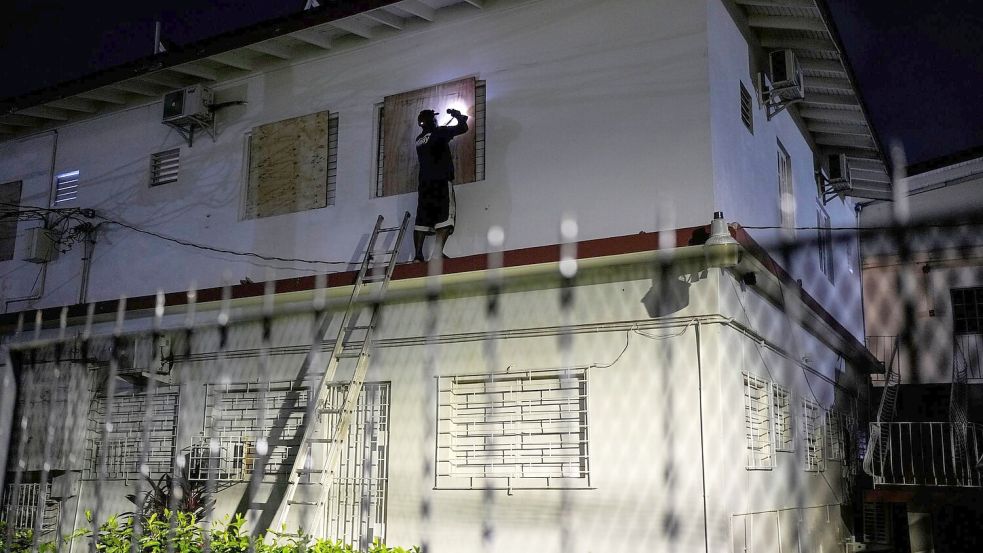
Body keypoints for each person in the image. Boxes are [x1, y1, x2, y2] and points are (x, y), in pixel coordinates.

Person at [413, 108, 468, 262]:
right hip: (441, 181)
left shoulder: (419, 139)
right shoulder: (439, 132)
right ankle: (437, 254)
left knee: (422, 219)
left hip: (424, 184)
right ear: (432, 120)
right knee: (445, 216)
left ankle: (418, 256)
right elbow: (463, 128)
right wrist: (458, 116)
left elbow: (435, 141)